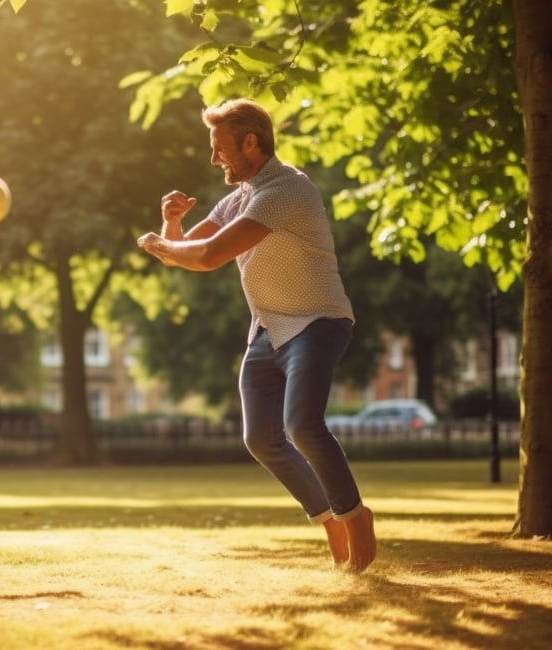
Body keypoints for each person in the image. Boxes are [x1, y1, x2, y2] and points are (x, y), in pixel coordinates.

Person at [137, 98, 376, 572]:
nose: (214, 158)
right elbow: (188, 248)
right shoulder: (240, 196)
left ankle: (356, 518)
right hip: (268, 329)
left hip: (317, 321)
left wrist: (166, 244)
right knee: (261, 439)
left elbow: (208, 256)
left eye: (220, 147)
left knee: (303, 426)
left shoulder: (287, 190)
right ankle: (328, 518)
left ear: (252, 142)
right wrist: (171, 225)